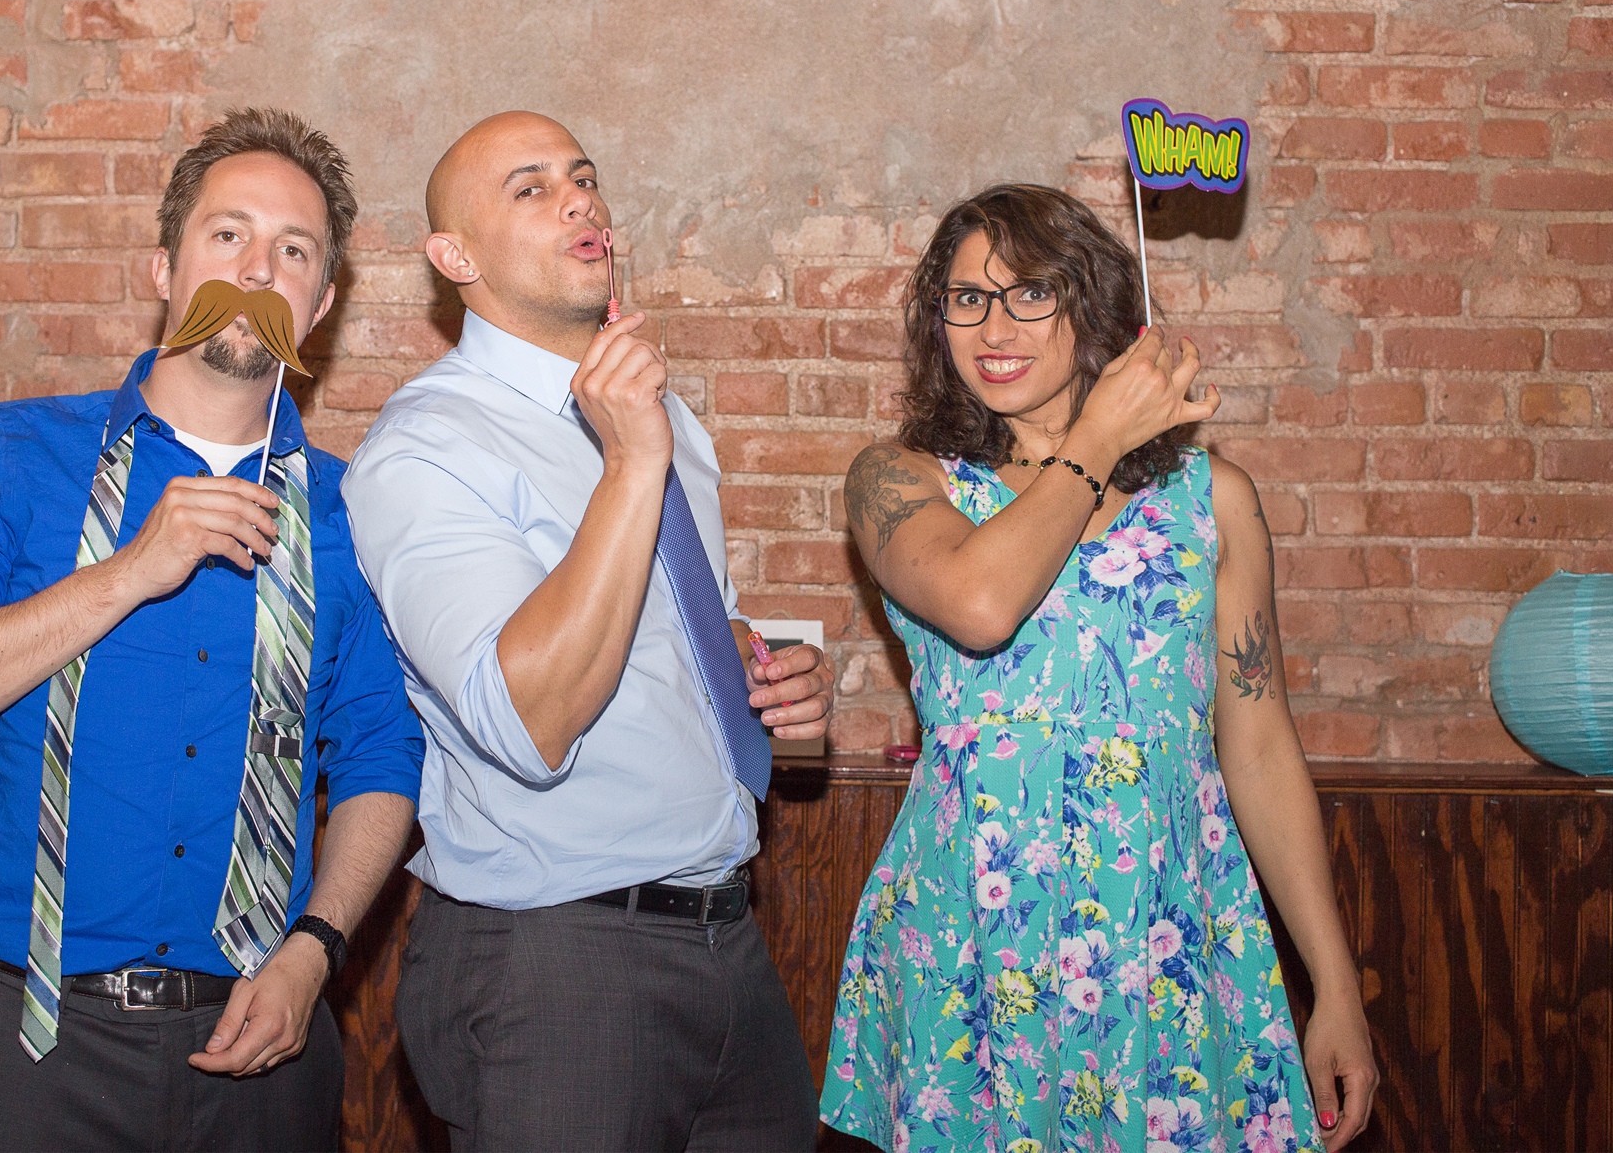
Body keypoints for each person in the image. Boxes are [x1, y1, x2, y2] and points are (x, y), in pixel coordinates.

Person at [0, 108, 423, 1153]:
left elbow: (384, 755)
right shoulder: (12, 454)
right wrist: (128, 572)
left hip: (264, 1049)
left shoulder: (354, 511)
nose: (257, 270)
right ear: (164, 265)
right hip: (27, 1055)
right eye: (228, 236)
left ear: (321, 304)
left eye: (292, 252)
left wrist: (313, 952)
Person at [820, 184, 1379, 1153]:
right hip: (971, 948)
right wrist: (1096, 439)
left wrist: (1332, 986)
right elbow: (981, 605)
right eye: (964, 299)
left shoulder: (1214, 505)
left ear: (1093, 308)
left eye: (1029, 293)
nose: (991, 325)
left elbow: (1255, 748)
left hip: (1163, 934)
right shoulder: (894, 479)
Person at [342, 110, 835, 1152]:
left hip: (729, 942)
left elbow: (655, 632)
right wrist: (629, 463)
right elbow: (529, 718)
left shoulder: (656, 415)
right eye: (529, 187)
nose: (579, 198)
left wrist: (764, 679)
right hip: (557, 965)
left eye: (582, 176)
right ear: (454, 256)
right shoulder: (427, 446)